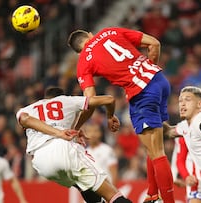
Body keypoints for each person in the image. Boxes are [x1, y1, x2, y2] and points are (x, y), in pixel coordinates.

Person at [68, 27, 174, 203]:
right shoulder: (109, 31)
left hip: (142, 94)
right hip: (160, 81)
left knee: (157, 152)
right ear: (89, 35)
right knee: (153, 142)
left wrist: (77, 127)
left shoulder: (83, 63)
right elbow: (154, 43)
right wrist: (148, 71)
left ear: (79, 51)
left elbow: (90, 101)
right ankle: (153, 193)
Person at [16, 87, 131, 203]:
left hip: (40, 162)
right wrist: (110, 116)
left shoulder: (27, 109)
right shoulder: (66, 100)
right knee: (112, 194)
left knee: (83, 185)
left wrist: (72, 130)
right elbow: (109, 100)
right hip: (63, 150)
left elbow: (25, 119)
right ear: (61, 96)